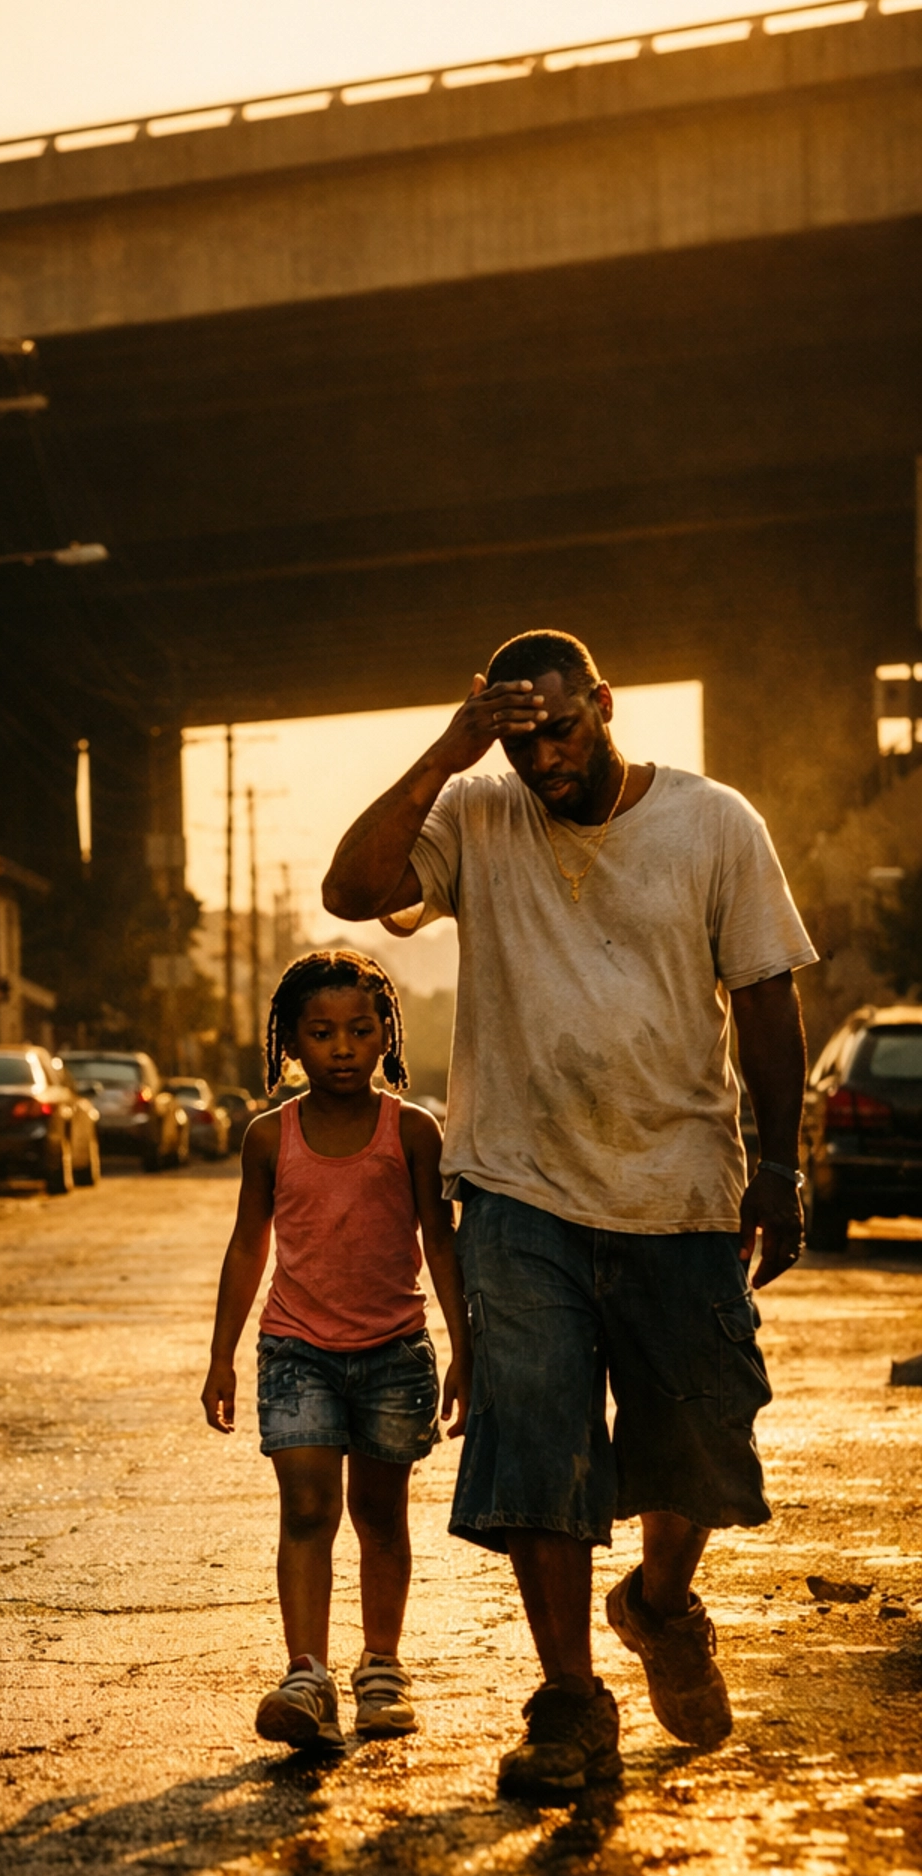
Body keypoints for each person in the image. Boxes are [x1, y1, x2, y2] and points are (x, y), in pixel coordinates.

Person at [323, 629, 815, 1802]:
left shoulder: (713, 822)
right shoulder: (479, 814)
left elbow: (766, 997)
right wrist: (453, 747)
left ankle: (657, 1604)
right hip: (518, 1188)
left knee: (697, 1447)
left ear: (601, 703)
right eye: (516, 732)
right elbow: (351, 889)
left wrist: (781, 1169)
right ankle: (571, 1702)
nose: (540, 753)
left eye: (557, 724)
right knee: (536, 1437)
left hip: (680, 1189)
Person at [202, 950, 472, 1751]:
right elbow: (247, 1248)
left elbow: (441, 1241)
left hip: (394, 1352)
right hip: (296, 1351)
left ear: (387, 1032)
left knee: (380, 1517)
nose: (344, 1048)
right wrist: (222, 1355)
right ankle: (306, 1675)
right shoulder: (267, 1138)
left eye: (361, 1029)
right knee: (308, 1509)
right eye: (322, 1033)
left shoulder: (414, 1131)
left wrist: (464, 1346)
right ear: (290, 1041)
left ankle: (381, 1668)